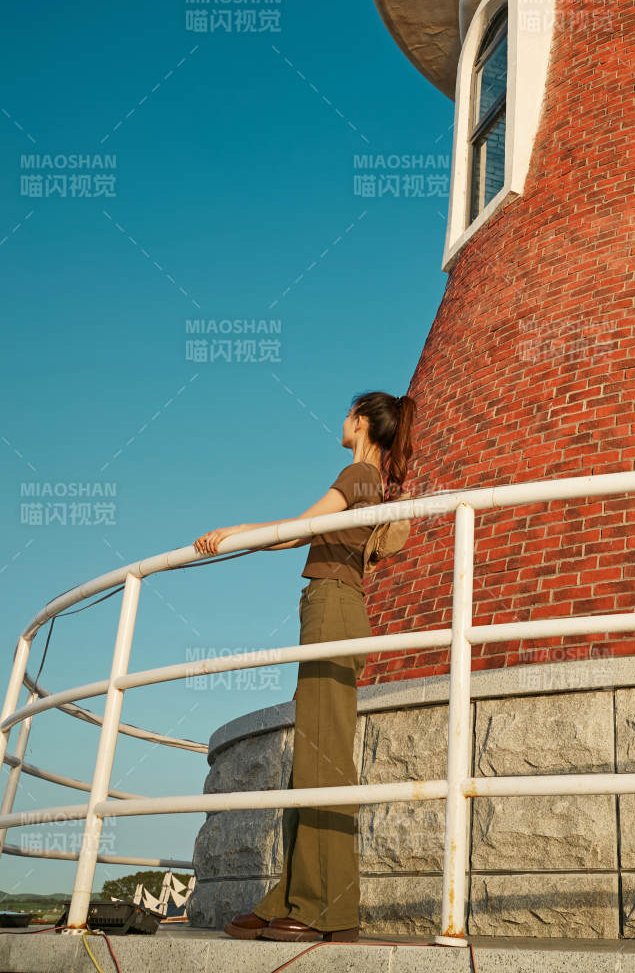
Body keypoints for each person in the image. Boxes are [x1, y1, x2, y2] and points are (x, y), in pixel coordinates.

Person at [192, 389, 416, 943]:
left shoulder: (358, 476)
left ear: (361, 423)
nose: (341, 420)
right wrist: (246, 534)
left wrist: (234, 534)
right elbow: (302, 532)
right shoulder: (370, 482)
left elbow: (296, 529)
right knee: (311, 757)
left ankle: (327, 908)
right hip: (330, 607)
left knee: (324, 756)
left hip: (333, 607)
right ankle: (291, 896)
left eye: (348, 413)